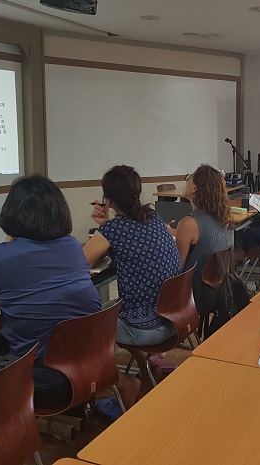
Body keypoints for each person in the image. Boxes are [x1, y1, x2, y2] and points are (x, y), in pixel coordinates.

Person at [0, 175, 141, 408]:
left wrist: (11, 236)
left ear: (10, 212)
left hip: (42, 379)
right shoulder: (72, 246)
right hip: (93, 365)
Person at [84, 165, 181, 393]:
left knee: (87, 324)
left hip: (145, 328)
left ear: (108, 200)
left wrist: (105, 227)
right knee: (109, 308)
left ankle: (122, 383)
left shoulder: (114, 229)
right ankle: (147, 368)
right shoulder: (153, 217)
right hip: (173, 317)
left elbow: (80, 263)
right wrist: (106, 225)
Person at [173, 164, 231, 316]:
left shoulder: (188, 223)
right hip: (217, 292)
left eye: (188, 178)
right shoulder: (220, 217)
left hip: (194, 296)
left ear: (195, 188)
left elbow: (176, 269)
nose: (186, 181)